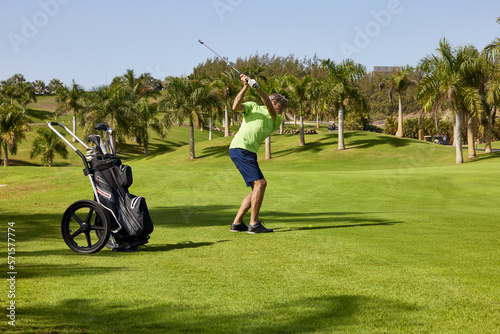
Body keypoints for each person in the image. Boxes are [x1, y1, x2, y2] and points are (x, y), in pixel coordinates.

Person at [229, 74, 288, 234]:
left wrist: (258, 88)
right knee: (261, 184)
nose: (281, 111)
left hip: (248, 151)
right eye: (281, 107)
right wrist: (246, 87)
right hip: (241, 148)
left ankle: (237, 223)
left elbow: (269, 107)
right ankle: (254, 224)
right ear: (276, 101)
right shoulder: (252, 106)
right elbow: (235, 106)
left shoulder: (276, 118)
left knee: (257, 187)